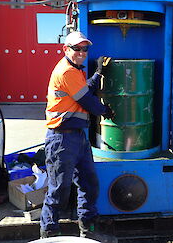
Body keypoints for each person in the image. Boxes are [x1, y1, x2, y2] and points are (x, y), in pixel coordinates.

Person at [39, 31, 117, 242]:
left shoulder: (76, 70)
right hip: (61, 139)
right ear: (66, 49)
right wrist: (106, 111)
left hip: (77, 138)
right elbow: (88, 102)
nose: (82, 53)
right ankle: (49, 234)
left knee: (89, 184)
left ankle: (89, 229)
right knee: (59, 190)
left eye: (85, 49)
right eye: (77, 48)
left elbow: (83, 92)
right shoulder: (66, 72)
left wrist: (98, 73)